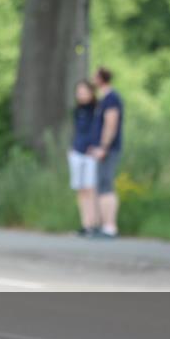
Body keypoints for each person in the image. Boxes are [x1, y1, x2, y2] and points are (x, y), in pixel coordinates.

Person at [89, 67, 124, 238]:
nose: (92, 79)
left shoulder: (112, 98)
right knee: (101, 186)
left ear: (101, 79)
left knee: (106, 185)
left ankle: (110, 226)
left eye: (95, 76)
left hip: (108, 150)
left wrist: (103, 147)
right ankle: (103, 225)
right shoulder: (104, 99)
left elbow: (111, 124)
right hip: (100, 149)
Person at [68, 80, 99, 235]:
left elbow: (97, 130)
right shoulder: (77, 110)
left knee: (90, 188)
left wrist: (96, 145)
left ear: (91, 92)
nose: (80, 94)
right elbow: (76, 131)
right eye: (78, 92)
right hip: (77, 152)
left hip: (91, 154)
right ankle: (85, 224)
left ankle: (94, 224)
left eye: (83, 91)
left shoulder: (97, 110)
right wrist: (72, 147)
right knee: (80, 189)